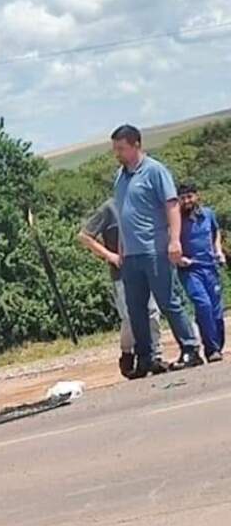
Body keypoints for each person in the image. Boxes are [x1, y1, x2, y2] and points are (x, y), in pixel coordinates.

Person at [111, 124, 203, 377]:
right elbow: (123, 216)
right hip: (131, 254)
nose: (117, 153)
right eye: (115, 149)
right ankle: (146, 358)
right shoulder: (120, 176)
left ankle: (190, 348)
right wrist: (121, 249)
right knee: (136, 308)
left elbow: (172, 206)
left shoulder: (154, 171)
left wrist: (175, 241)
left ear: (136, 145)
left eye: (121, 148)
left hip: (154, 249)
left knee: (168, 301)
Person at [78, 198, 163, 377]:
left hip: (145, 268)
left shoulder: (143, 202)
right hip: (122, 274)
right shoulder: (109, 208)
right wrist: (110, 256)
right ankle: (127, 352)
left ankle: (154, 355)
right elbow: (85, 236)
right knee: (130, 318)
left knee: (152, 312)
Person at [175, 182, 226, 362]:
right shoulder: (176, 220)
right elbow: (170, 242)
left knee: (217, 311)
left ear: (197, 196)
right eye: (183, 198)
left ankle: (217, 346)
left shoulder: (208, 214)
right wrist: (179, 258)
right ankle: (211, 349)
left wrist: (218, 251)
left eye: (189, 197)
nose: (187, 201)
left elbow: (215, 232)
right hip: (190, 270)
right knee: (203, 305)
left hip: (210, 268)